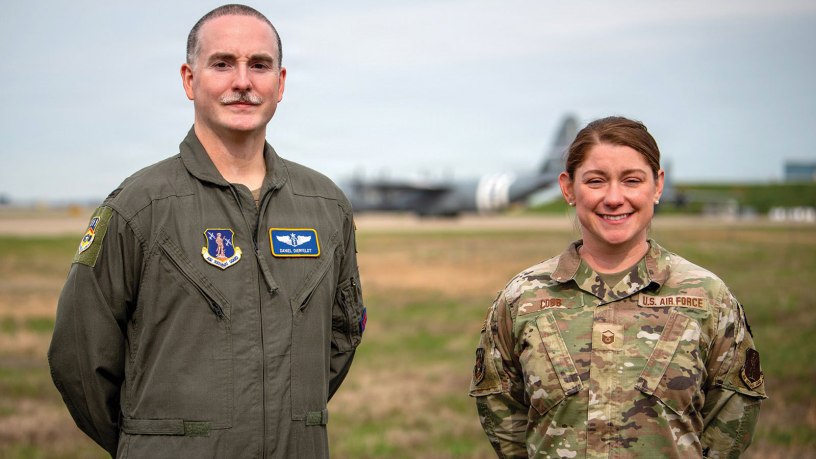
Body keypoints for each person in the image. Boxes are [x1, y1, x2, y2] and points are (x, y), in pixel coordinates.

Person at [48, 4, 366, 458]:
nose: (242, 81)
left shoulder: (326, 206)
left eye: (259, 65)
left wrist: (274, 423)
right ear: (189, 79)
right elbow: (79, 356)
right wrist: (157, 442)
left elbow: (342, 335)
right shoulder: (141, 206)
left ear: (280, 83)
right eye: (222, 63)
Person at [469, 116, 766, 458]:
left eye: (632, 180)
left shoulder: (708, 299)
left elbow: (731, 420)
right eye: (595, 181)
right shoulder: (522, 299)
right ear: (568, 188)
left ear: (657, 186)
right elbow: (503, 417)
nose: (613, 198)